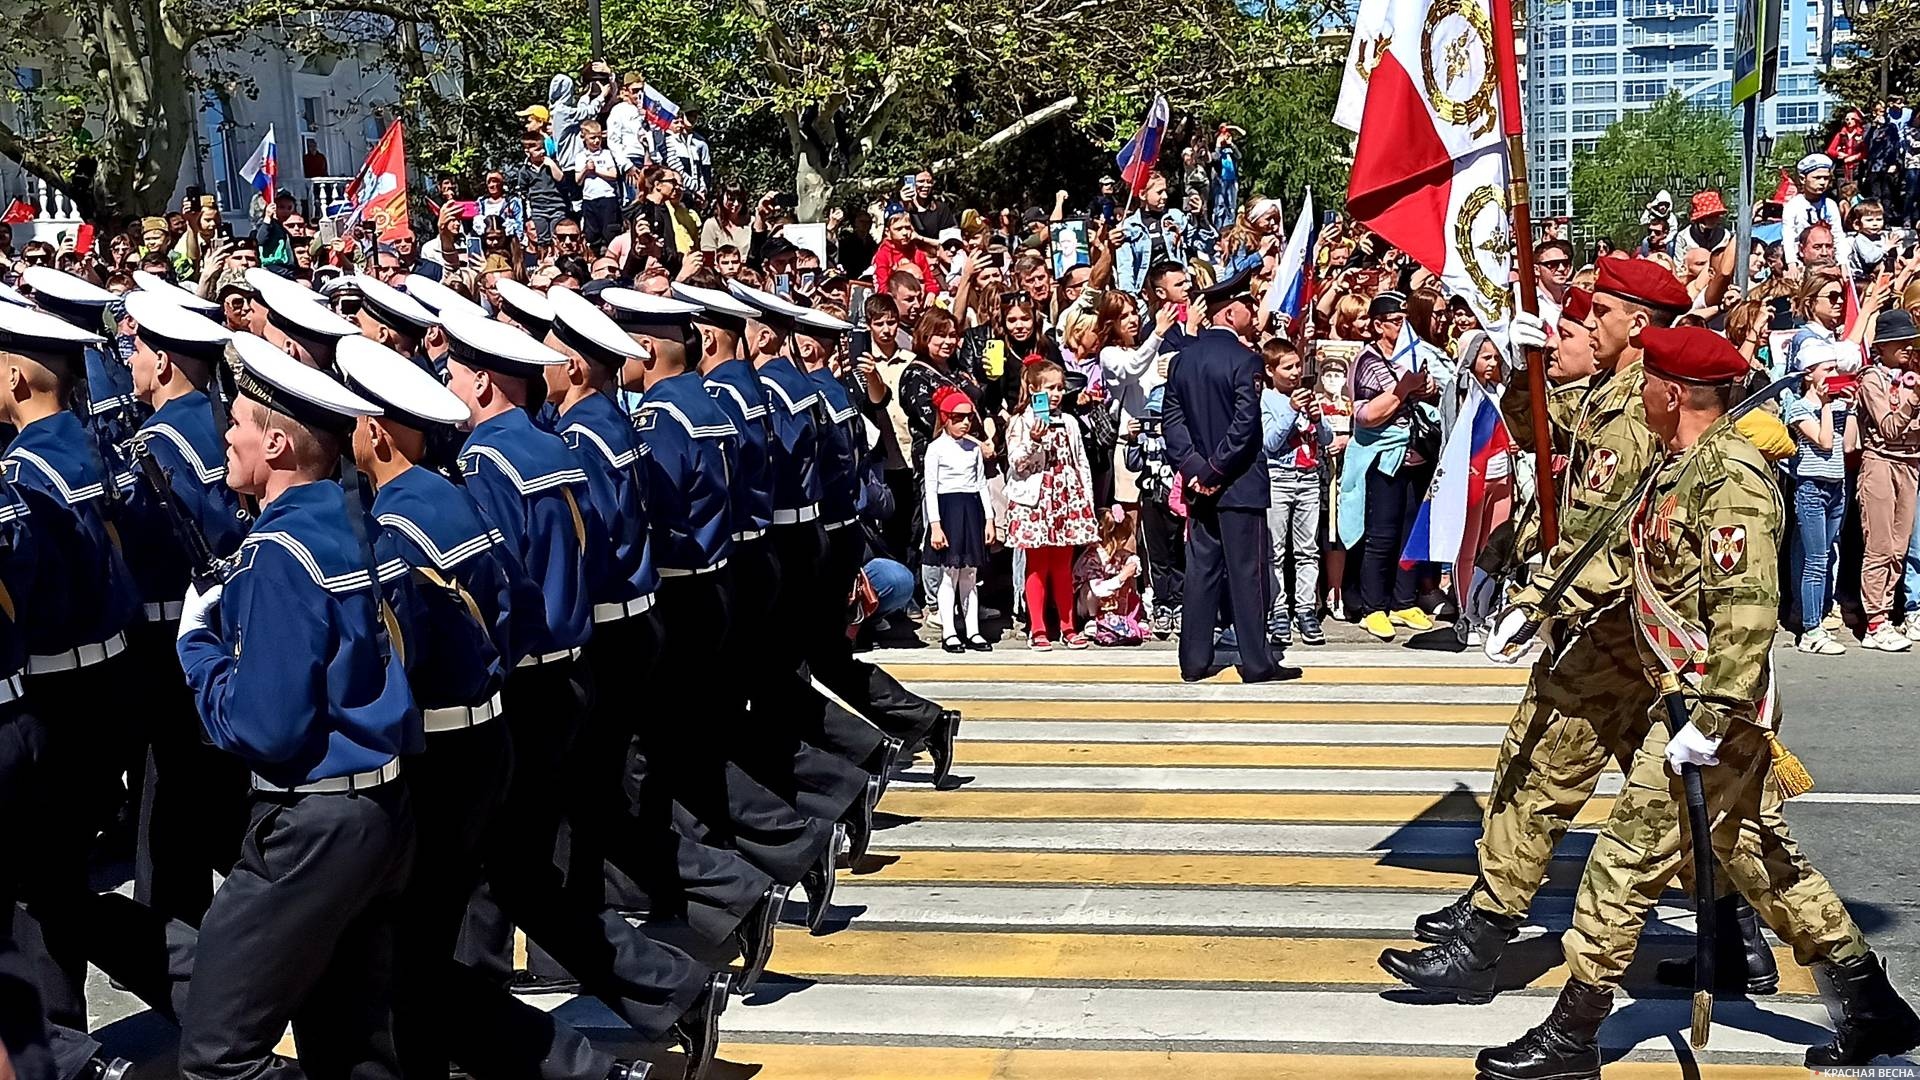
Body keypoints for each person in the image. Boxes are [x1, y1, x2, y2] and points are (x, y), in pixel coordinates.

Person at [1474, 325, 1920, 1080]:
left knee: (1621, 862)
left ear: (1673, 393)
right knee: (1756, 856)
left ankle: (1574, 1031)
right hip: (1686, 702)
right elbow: (1621, 556)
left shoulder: (1731, 479)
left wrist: (1709, 722)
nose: (1637, 390)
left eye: (1647, 381)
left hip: (1708, 713)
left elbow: (1747, 612)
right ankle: (1875, 1008)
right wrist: (1538, 604)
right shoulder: (1678, 467)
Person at [169, 332, 417, 1079]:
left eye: (237, 426)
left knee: (218, 1056)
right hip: (379, 810)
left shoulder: (279, 553)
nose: (227, 440)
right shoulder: (356, 521)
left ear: (275, 443)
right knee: (355, 1043)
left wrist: (198, 650)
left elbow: (265, 726)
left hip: (308, 825)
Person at [118, 291, 250, 928]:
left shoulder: (156, 444)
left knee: (177, 783)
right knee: (188, 780)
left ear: (165, 362)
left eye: (139, 348)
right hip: (218, 620)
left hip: (172, 626)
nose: (131, 361)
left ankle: (176, 920)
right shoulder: (219, 420)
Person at [1161, 265, 1277, 682]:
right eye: (1247, 304)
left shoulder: (1182, 360)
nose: (1253, 309)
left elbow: (1171, 421)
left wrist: (1194, 468)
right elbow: (1245, 426)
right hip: (1239, 482)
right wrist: (1214, 468)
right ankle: (1256, 661)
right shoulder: (1246, 361)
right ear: (1230, 313)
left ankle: (1193, 661)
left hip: (1199, 485)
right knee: (1247, 572)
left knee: (1201, 570)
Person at [1341, 290, 1438, 641]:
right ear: (1379, 325)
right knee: (1380, 535)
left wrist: (1424, 387)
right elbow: (1365, 415)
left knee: (1409, 532)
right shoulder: (1368, 360)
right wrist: (1403, 390)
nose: (1403, 328)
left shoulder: (1413, 354)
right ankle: (1373, 607)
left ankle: (1403, 600)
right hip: (1382, 459)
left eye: (1406, 321)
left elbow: (1430, 390)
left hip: (1414, 456)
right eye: (1396, 322)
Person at [1005, 358, 1100, 650]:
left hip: (1065, 498)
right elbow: (1015, 463)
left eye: (1060, 388)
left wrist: (1087, 500)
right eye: (1050, 388)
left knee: (1062, 566)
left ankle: (1068, 626)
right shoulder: (1022, 420)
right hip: (1036, 500)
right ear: (1034, 389)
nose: (1057, 394)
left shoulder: (1069, 421)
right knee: (1036, 565)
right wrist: (1034, 441)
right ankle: (1037, 627)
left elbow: (1080, 461)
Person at [1784, 337, 1856, 655]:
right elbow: (1825, 443)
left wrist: (1850, 410)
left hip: (1836, 488)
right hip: (1812, 488)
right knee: (1814, 560)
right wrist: (1827, 406)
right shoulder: (1798, 408)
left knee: (1826, 557)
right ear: (1810, 372)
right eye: (1828, 368)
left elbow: (1849, 445)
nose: (1833, 373)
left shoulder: (1836, 407)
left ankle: (1817, 615)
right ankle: (1810, 630)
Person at [1856, 307, 1920, 651]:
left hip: (1911, 464)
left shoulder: (1914, 375)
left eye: (1912, 342)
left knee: (1899, 547)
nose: (1909, 348)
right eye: (1901, 343)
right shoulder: (1873, 379)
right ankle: (1874, 621)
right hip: (1880, 462)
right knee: (1879, 546)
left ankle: (1888, 612)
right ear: (1882, 346)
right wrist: (1912, 402)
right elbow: (1889, 427)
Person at [1260, 337, 1329, 647]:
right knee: (1275, 550)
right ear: (1270, 370)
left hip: (1309, 477)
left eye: (1297, 365)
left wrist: (1317, 417)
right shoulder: (1268, 400)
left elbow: (1325, 438)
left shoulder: (1308, 396)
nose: (1295, 372)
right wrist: (1290, 410)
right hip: (1279, 478)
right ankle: (1277, 610)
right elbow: (1269, 443)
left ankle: (1305, 610)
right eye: (1287, 367)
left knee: (1307, 549)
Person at [922, 386, 994, 652]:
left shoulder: (972, 449)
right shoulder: (935, 449)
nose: (965, 423)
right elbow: (930, 488)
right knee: (949, 574)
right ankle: (949, 631)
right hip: (948, 510)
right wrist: (935, 525)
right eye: (958, 418)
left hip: (971, 509)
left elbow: (981, 483)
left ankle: (973, 630)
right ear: (945, 418)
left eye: (968, 418)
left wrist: (989, 518)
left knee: (970, 574)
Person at [1115, 173, 1188, 295]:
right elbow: (1125, 268)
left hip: (1178, 290)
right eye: (1159, 192)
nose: (1165, 196)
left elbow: (1203, 244)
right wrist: (1131, 298)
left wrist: (1200, 217)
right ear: (1143, 195)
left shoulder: (1176, 217)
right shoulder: (1129, 227)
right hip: (1148, 294)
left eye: (1165, 191)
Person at [1784, 153, 1850, 272]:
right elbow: (1789, 236)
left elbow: (1838, 235)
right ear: (1803, 179)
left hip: (1827, 261)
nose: (1822, 182)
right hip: (1801, 262)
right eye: (1817, 178)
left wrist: (1843, 262)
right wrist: (1792, 263)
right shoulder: (1793, 206)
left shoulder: (1830, 205)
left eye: (1826, 178)